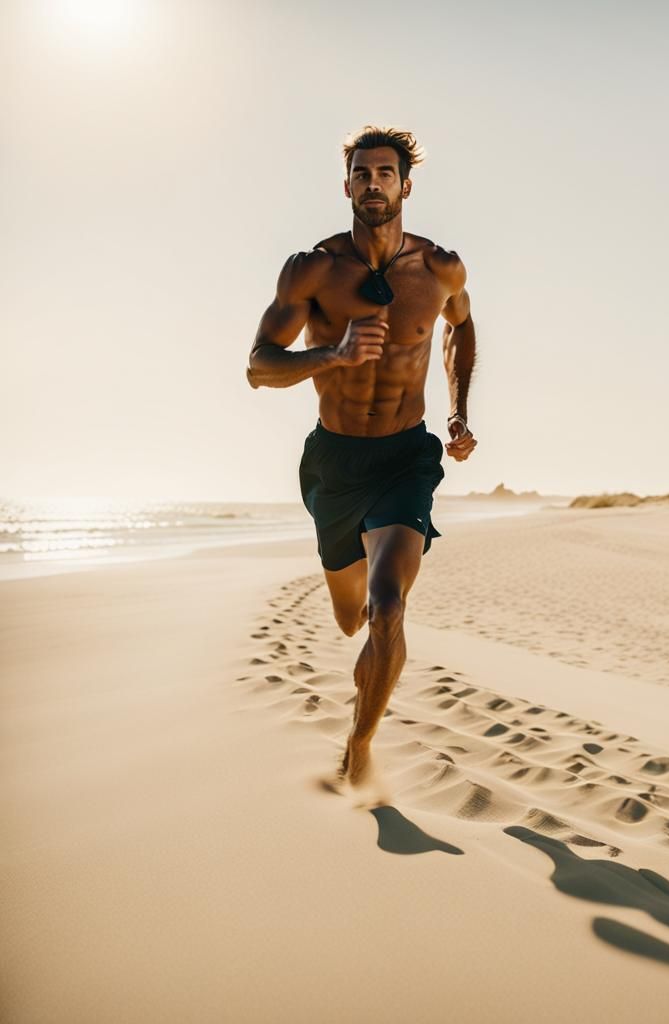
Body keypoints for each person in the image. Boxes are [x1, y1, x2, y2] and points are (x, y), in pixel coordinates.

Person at [246, 125, 477, 788]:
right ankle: (367, 666)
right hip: (335, 464)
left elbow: (461, 326)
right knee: (353, 620)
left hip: (406, 456)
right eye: (361, 174)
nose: (373, 184)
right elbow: (259, 367)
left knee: (388, 608)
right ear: (346, 186)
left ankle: (360, 746)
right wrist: (333, 354)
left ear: (406, 186)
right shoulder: (313, 270)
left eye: (385, 173)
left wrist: (459, 408)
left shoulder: (440, 268)